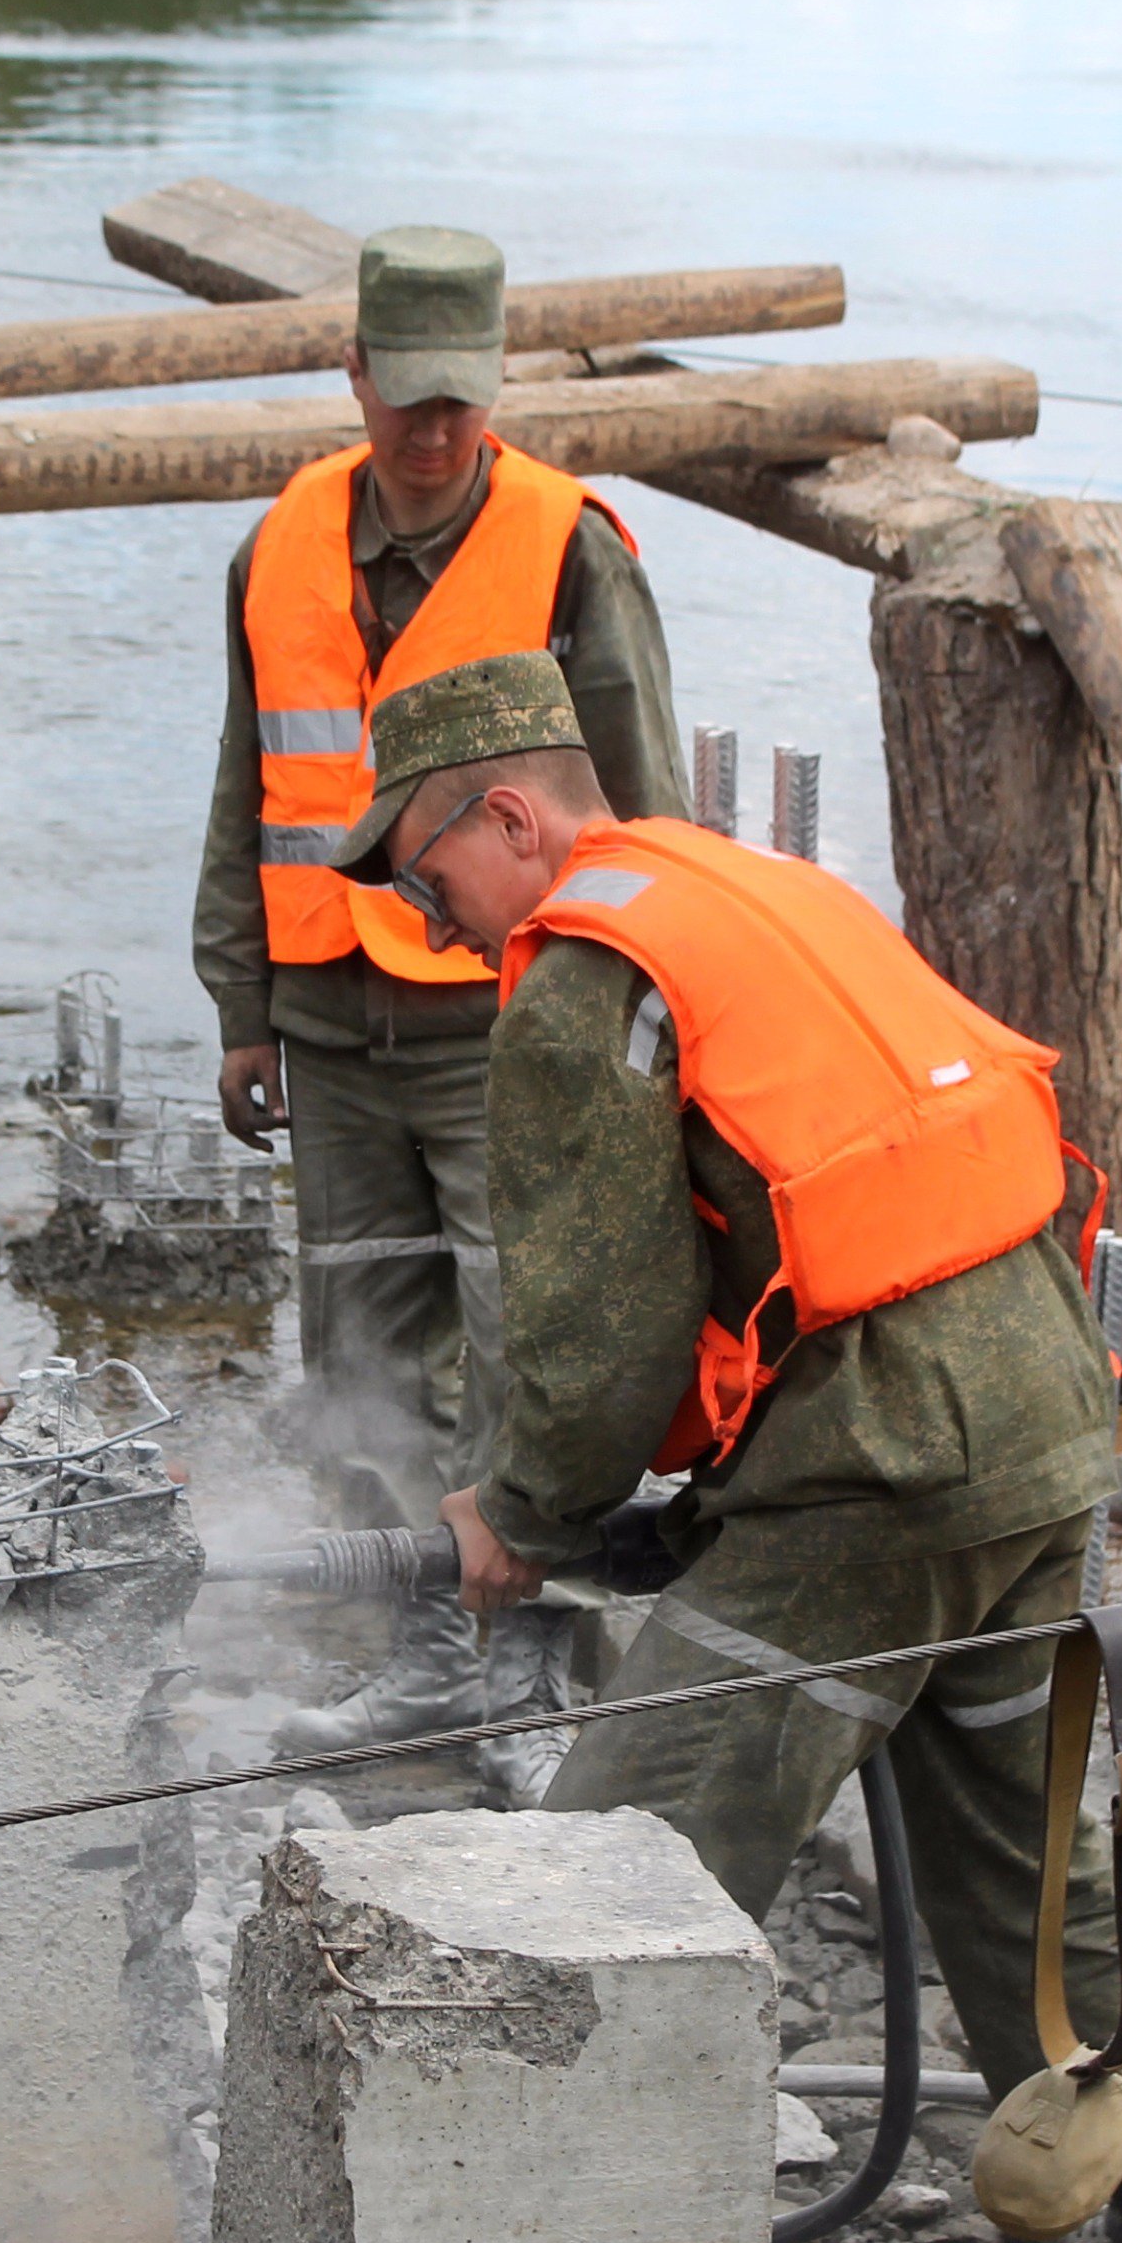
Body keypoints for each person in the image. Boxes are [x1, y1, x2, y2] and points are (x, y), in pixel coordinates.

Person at [323, 648, 1122, 2243]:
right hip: (1037, 1413)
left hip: (881, 1469)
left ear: (510, 814)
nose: (423, 912)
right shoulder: (751, 889)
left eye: (422, 867)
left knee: (615, 1863)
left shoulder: (582, 977)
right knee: (1032, 1870)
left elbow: (598, 1339)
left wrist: (517, 1518)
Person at [190, 223, 683, 1797]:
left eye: (458, 402)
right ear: (353, 374)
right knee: (362, 1341)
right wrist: (239, 1000)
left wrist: (641, 1019)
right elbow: (242, 783)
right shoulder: (277, 544)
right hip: (331, 1020)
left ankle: (537, 1671)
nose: (431, 430)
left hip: (504, 1023)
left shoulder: (568, 546)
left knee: (531, 1340)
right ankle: (416, 1658)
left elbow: (646, 807)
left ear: (495, 384)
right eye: (403, 398)